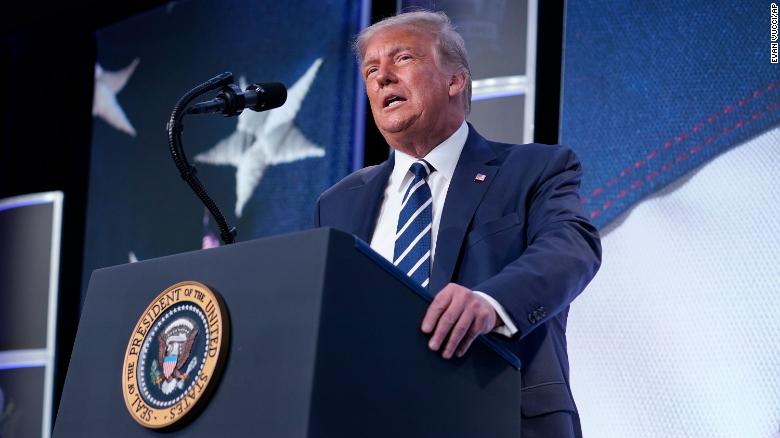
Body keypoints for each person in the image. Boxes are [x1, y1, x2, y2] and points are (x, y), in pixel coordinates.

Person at [314, 10, 601, 438]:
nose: (382, 78)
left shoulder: (534, 168)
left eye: (403, 58)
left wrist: (491, 303)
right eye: (371, 69)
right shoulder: (337, 203)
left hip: (501, 416)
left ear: (456, 80)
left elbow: (571, 247)